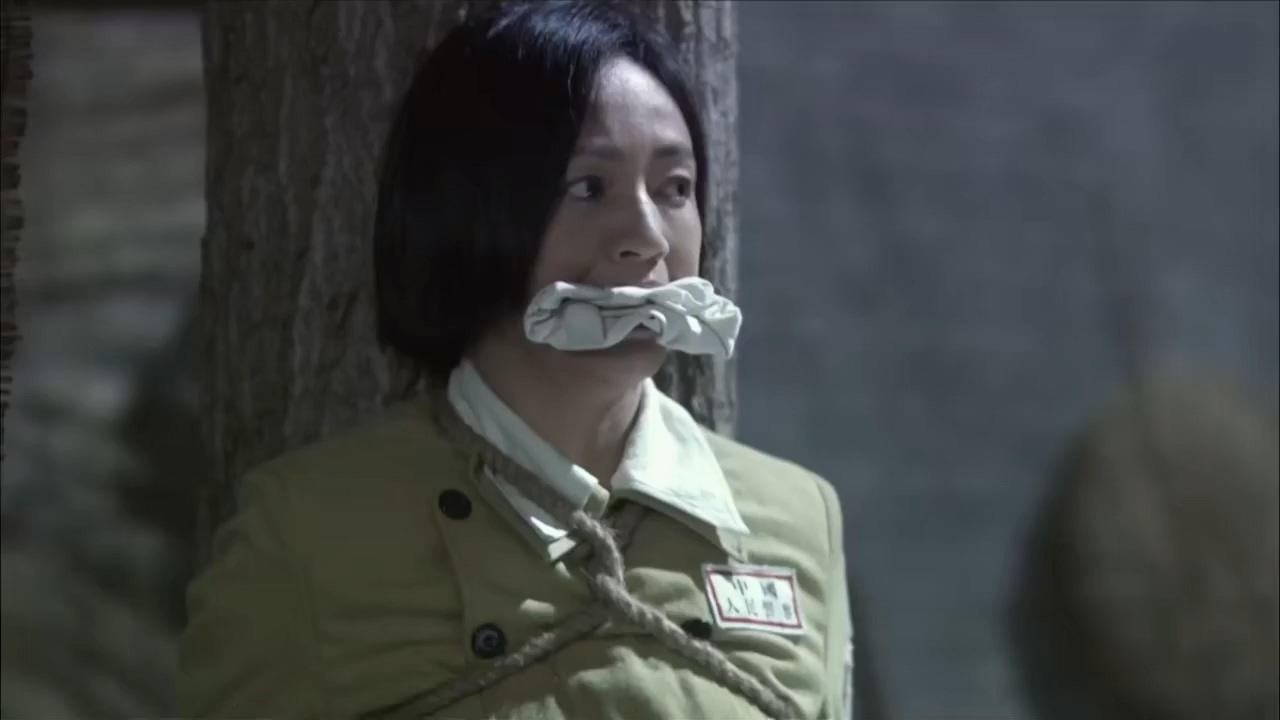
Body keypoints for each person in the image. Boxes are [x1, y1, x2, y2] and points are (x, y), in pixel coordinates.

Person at [174, 2, 853, 718]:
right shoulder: (303, 535)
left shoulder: (797, 520)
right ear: (471, 211)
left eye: (674, 188)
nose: (649, 237)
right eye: (588, 187)